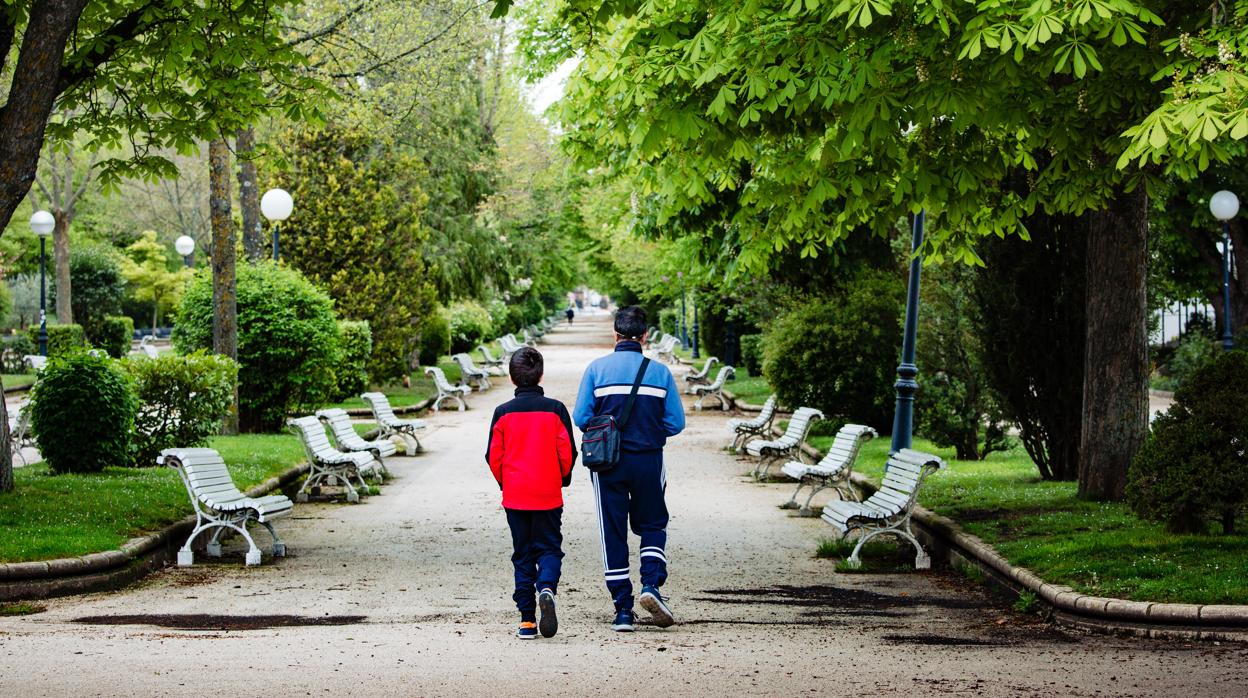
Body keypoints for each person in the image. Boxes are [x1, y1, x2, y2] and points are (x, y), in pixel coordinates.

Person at [573, 306, 685, 632]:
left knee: (613, 530)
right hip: (649, 459)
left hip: (607, 463)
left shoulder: (597, 370)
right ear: (645, 336)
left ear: (615, 334)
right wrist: (649, 431)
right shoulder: (660, 373)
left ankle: (622, 608)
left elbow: (582, 419)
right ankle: (651, 585)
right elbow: (676, 422)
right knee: (653, 522)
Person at [485, 347, 577, 639]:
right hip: (548, 493)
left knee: (522, 554)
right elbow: (568, 452)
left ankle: (526, 620)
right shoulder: (555, 409)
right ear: (541, 375)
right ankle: (547, 586)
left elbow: (493, 456)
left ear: (512, 378)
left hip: (516, 495)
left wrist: (505, 483)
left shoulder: (503, 413)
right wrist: (561, 478)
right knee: (549, 547)